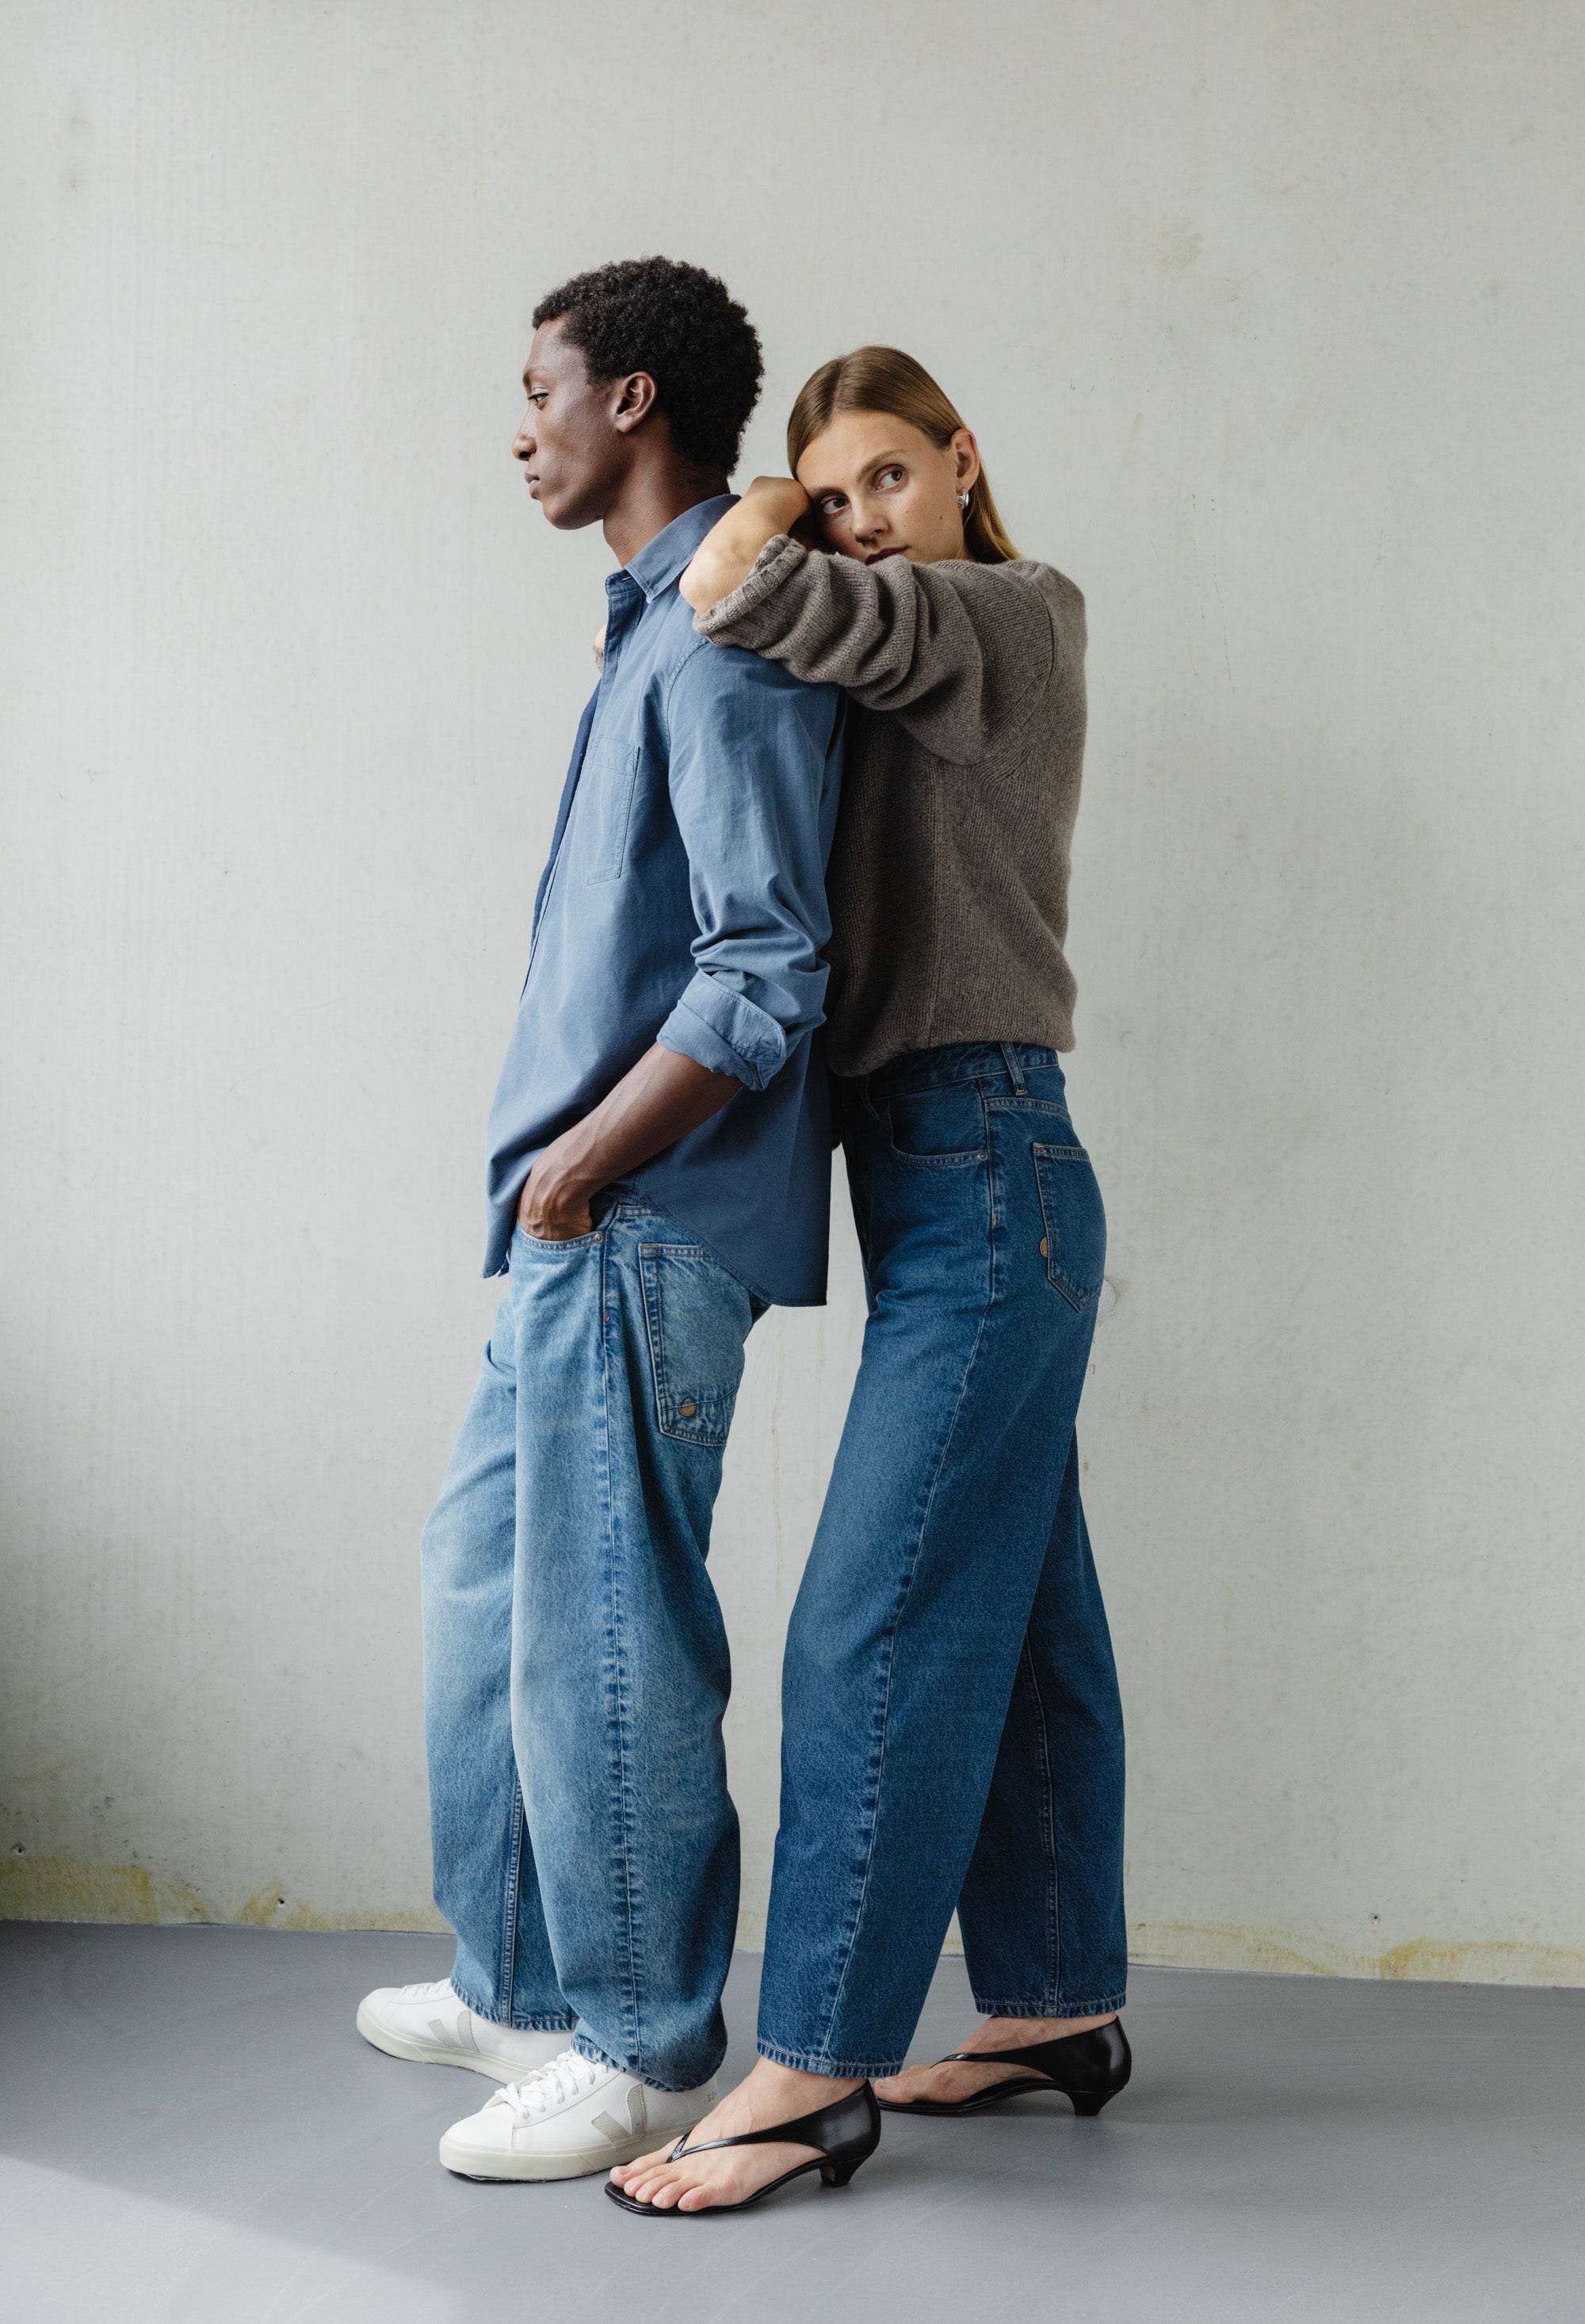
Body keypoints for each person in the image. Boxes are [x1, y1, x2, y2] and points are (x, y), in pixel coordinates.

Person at [609, 347, 1128, 2215]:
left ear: (962, 460)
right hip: (942, 1184)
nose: (860, 520)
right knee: (1029, 1617)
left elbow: (739, 585)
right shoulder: (905, 641)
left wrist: (763, 514)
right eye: (834, 492)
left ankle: (812, 2067)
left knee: (874, 1619)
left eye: (887, 477)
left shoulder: (1010, 614)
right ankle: (1056, 2002)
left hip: (989, 1166)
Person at [356, 259, 847, 2185]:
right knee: (484, 1590)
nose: (521, 431)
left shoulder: (721, 635)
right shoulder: (647, 625)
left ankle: (640, 2043)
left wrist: (579, 1167)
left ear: (631, 399)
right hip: (568, 1227)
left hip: (637, 1216)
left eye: (539, 389)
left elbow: (764, 964)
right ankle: (523, 1983)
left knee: (604, 1635)